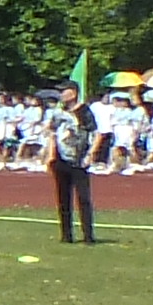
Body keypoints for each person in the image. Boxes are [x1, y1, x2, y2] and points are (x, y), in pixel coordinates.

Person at [46, 85, 98, 245]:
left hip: (79, 159)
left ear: (73, 93)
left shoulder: (84, 112)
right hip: (60, 159)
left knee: (83, 198)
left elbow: (96, 134)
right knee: (63, 198)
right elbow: (52, 133)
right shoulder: (58, 112)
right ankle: (66, 234)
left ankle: (88, 235)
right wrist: (50, 155)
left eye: (64, 91)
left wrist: (91, 154)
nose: (61, 94)